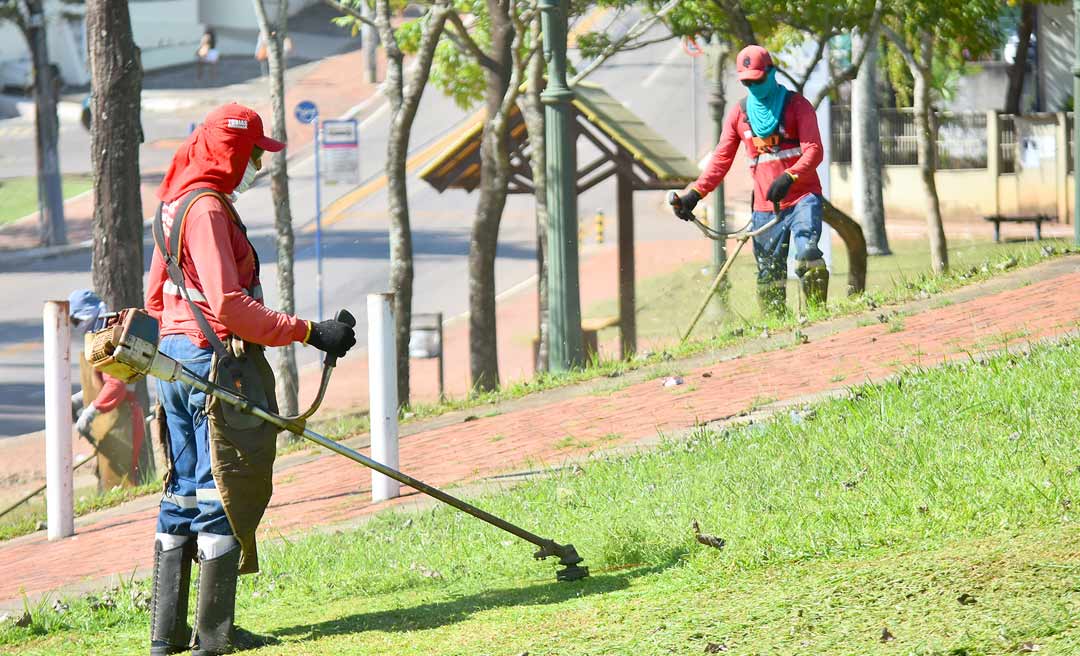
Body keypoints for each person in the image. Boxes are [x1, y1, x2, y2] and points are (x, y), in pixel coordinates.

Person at [144, 103, 356, 656]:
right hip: (211, 365)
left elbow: (153, 299)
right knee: (221, 493)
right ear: (234, 153)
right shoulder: (209, 209)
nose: (258, 163)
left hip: (172, 361)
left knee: (182, 493)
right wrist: (310, 331)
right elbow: (230, 306)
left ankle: (164, 641)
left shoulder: (173, 202)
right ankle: (214, 638)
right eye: (255, 153)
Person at [670, 44, 828, 314]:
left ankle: (818, 317)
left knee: (808, 255)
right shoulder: (739, 115)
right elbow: (720, 159)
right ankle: (777, 327)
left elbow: (814, 150)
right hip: (765, 210)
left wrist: (790, 176)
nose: (753, 86)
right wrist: (694, 194)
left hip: (802, 198)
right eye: (747, 82)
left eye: (758, 79)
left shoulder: (797, 106)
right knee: (769, 277)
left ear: (771, 72)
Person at [69, 289, 146, 491]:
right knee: (109, 476)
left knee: (124, 480)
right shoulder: (97, 335)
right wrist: (79, 400)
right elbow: (103, 381)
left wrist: (91, 411)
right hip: (113, 417)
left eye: (77, 321)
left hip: (124, 418)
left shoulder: (109, 335)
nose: (76, 327)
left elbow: (116, 384)